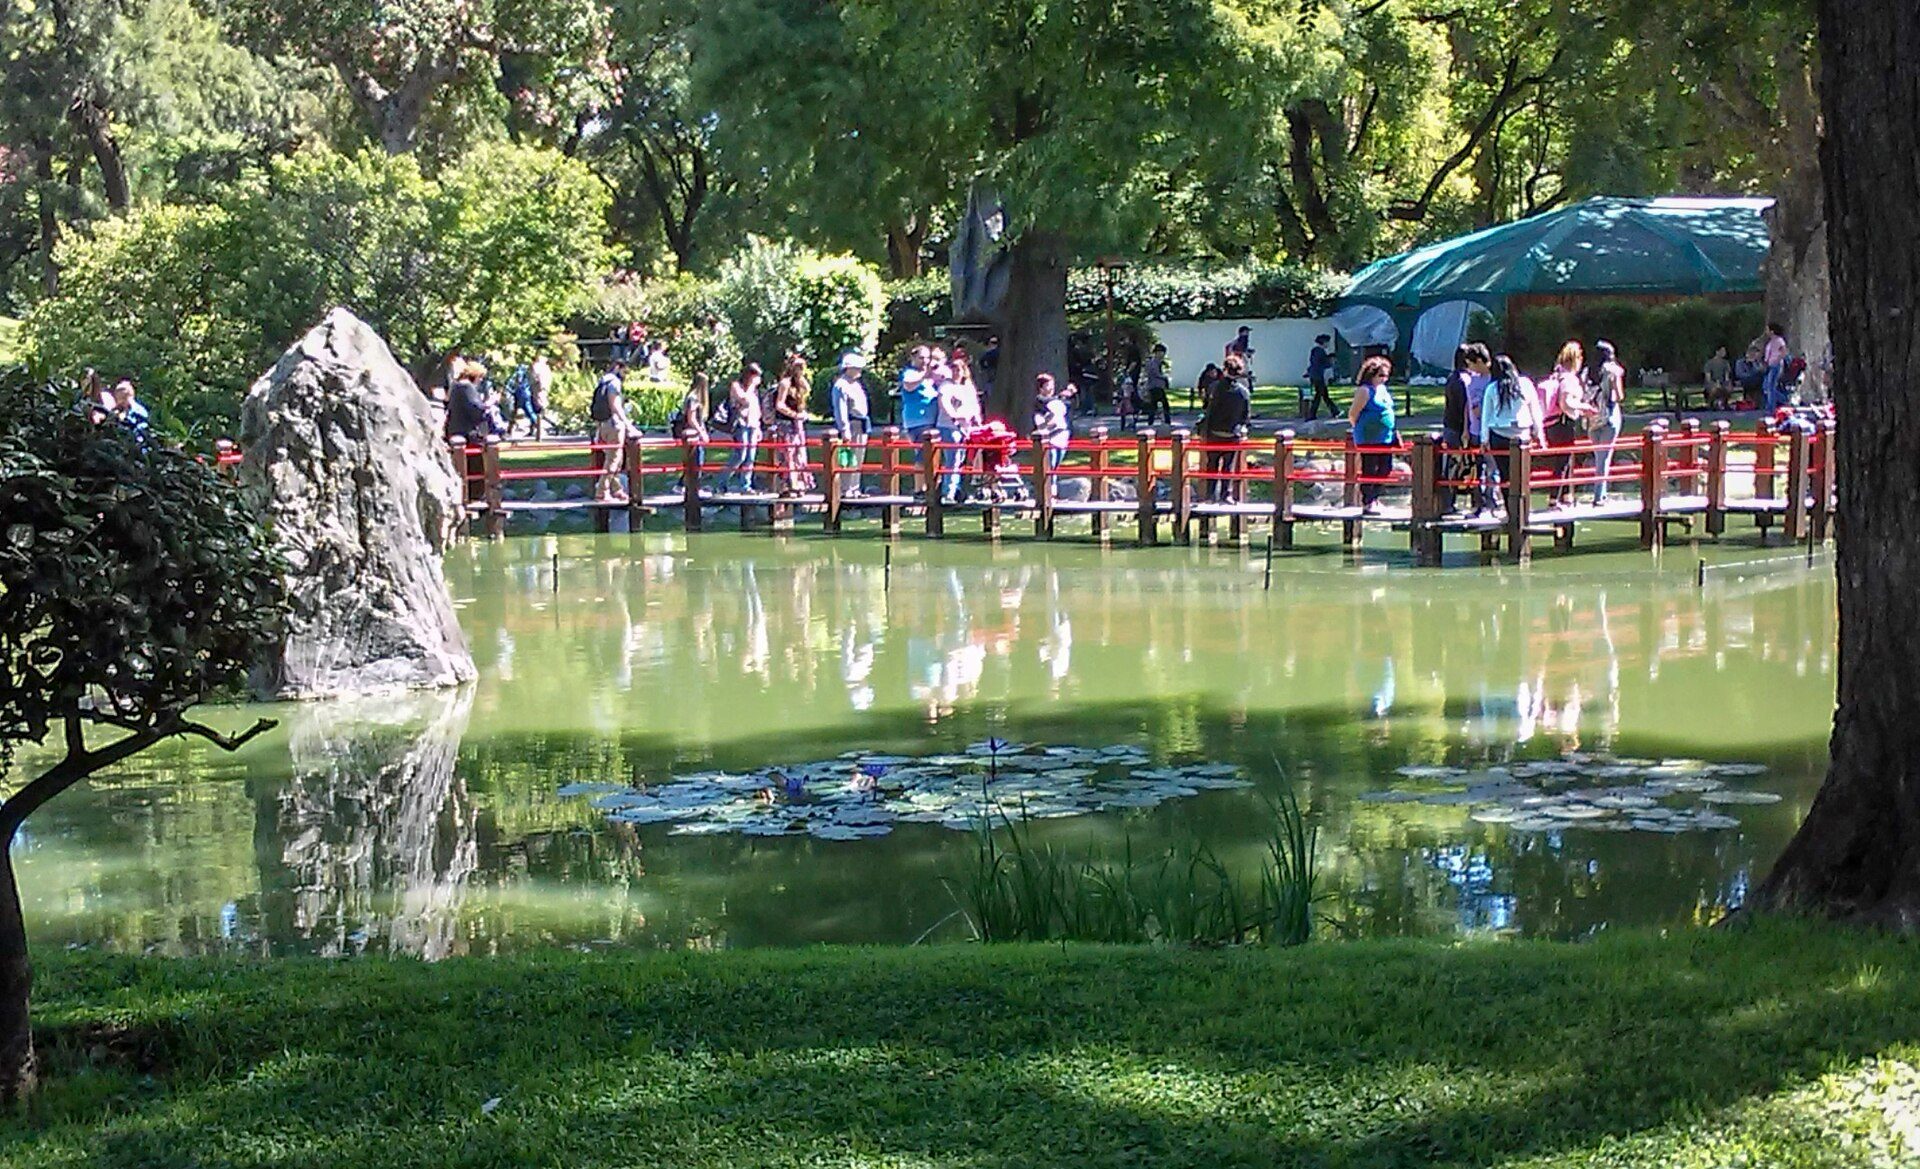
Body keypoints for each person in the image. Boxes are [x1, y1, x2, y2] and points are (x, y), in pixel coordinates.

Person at [1477, 354, 1545, 517]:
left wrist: (1484, 440)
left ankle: (1510, 510)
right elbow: (1535, 410)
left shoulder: (1492, 388)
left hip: (1499, 435)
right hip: (1522, 435)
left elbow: (1486, 416)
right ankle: (1523, 510)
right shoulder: (1526, 384)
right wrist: (1540, 434)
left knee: (1505, 475)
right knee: (1522, 475)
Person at [1538, 342, 1586, 507]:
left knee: (1563, 459)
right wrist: (1584, 407)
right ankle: (1554, 498)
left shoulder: (1556, 374)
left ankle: (1566, 495)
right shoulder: (1569, 378)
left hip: (1550, 423)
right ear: (1576, 359)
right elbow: (1566, 403)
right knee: (1563, 461)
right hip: (1563, 422)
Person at [1348, 355, 1397, 513]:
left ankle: (1375, 497)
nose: (1384, 379)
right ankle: (1367, 501)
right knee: (1370, 469)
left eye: (1386, 375)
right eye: (1380, 375)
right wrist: (1361, 428)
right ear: (1371, 375)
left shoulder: (1383, 390)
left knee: (1385, 468)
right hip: (1368, 438)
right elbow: (1353, 414)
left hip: (1386, 437)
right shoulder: (1364, 391)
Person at [1200, 354, 1252, 503]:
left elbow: (1209, 410)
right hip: (1232, 434)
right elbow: (1246, 416)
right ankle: (1226, 494)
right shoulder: (1243, 392)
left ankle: (1210, 495)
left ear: (1224, 369)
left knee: (1212, 464)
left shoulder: (1215, 388)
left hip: (1215, 432)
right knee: (1228, 466)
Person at [934, 358, 981, 504]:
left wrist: (976, 419)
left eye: (959, 370)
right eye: (953, 369)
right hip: (949, 427)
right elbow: (944, 403)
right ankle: (948, 492)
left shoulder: (968, 387)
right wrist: (954, 417)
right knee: (952, 459)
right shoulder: (946, 386)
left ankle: (960, 490)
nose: (956, 373)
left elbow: (974, 406)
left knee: (963, 459)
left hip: (966, 428)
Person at [1585, 341, 1626, 505]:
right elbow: (1619, 395)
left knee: (1599, 456)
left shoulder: (1587, 372)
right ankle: (1599, 497)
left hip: (1593, 419)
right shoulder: (1613, 371)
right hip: (1609, 416)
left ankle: (1600, 494)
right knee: (1604, 458)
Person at [590, 363, 633, 504]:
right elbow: (615, 406)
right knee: (613, 460)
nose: (625, 375)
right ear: (618, 367)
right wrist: (628, 425)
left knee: (615, 459)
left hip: (603, 424)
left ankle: (617, 490)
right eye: (624, 371)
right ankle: (602, 492)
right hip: (614, 425)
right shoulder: (614, 383)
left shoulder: (603, 381)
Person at [770, 354, 813, 495]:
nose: (800, 370)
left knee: (800, 454)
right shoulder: (785, 383)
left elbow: (807, 389)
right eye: (797, 367)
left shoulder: (799, 384)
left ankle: (801, 483)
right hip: (785, 423)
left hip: (797, 424)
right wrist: (794, 415)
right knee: (788, 454)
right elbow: (779, 405)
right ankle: (789, 485)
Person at [830, 352, 871, 495]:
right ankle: (845, 489)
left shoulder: (856, 384)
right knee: (848, 457)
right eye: (857, 367)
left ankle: (855, 488)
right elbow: (840, 409)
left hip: (862, 424)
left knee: (859, 457)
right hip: (851, 424)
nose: (860, 371)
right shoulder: (841, 385)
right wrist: (844, 429)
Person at [723, 363, 764, 492]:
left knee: (751, 456)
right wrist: (751, 386)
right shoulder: (737, 386)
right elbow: (743, 400)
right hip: (741, 424)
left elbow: (756, 409)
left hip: (752, 424)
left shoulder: (754, 391)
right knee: (741, 454)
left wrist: (758, 427)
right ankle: (722, 482)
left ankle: (745, 485)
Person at [675, 373, 710, 495]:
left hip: (696, 433)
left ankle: (686, 485)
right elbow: (692, 418)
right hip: (692, 434)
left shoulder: (694, 398)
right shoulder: (694, 398)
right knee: (696, 460)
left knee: (696, 460)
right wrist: (702, 432)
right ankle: (691, 487)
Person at [1033, 373, 1071, 480]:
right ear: (1041, 388)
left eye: (1052, 384)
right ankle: (1050, 492)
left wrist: (1068, 394)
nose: (1051, 388)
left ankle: (1053, 490)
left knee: (1056, 467)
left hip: (1062, 436)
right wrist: (1050, 421)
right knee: (1050, 466)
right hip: (1050, 438)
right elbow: (1041, 422)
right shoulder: (1040, 401)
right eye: (1048, 385)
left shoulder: (1057, 400)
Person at [446, 359, 492, 443]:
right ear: (474, 375)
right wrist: (489, 404)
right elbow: (475, 409)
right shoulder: (467, 387)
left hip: (455, 429)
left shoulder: (456, 386)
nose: (481, 380)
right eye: (480, 376)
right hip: (467, 432)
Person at [1304, 333, 1338, 420]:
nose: (1328, 344)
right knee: (1320, 395)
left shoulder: (1315, 351)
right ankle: (1312, 414)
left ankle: (1334, 411)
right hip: (1318, 376)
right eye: (1327, 342)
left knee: (1321, 395)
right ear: (1324, 342)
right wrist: (1330, 361)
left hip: (1316, 375)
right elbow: (1321, 363)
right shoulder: (1319, 351)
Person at [110, 379, 152, 444]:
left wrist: (124, 419)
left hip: (137, 444)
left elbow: (142, 429)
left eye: (121, 399)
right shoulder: (120, 411)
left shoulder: (138, 410)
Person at [1141, 343, 1173, 425]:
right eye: (1162, 352)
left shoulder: (1159, 362)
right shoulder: (1153, 362)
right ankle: (1166, 421)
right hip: (1155, 386)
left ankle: (1151, 421)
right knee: (1164, 404)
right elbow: (1154, 373)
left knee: (1154, 405)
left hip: (1158, 386)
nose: (1163, 355)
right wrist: (1164, 377)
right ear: (1157, 352)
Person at [1762, 322, 1790, 410]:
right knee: (1767, 386)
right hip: (1770, 365)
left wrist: (1777, 360)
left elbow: (1784, 352)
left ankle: (1772, 407)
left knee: (1770, 386)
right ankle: (1782, 400)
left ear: (1772, 331)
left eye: (1767, 330)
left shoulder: (1779, 340)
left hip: (1775, 365)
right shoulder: (1771, 342)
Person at [528, 353, 552, 440]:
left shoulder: (537, 367)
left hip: (538, 390)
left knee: (538, 409)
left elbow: (534, 379)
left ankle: (539, 431)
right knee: (537, 409)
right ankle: (536, 429)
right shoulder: (545, 367)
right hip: (540, 389)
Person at [1703, 345, 1734, 410]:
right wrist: (1715, 384)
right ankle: (1711, 404)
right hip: (1712, 383)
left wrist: (1727, 384)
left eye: (1724, 351)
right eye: (1722, 351)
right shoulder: (1709, 363)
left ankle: (1725, 404)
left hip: (1722, 383)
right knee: (1714, 389)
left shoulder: (1725, 363)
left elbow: (1726, 377)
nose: (1724, 353)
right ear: (1717, 352)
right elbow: (1708, 378)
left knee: (1728, 388)